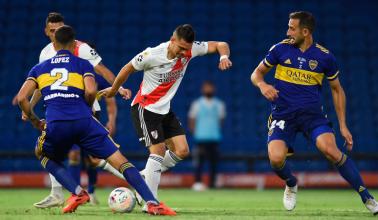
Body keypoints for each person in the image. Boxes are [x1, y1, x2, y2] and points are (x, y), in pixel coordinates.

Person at [16, 25, 176, 215]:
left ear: (54, 44)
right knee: (121, 161)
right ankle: (152, 202)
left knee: (42, 153)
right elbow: (91, 90)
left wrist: (35, 120)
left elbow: (21, 98)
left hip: (56, 123)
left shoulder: (39, 68)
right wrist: (86, 106)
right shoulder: (83, 64)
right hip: (85, 121)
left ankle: (76, 192)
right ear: (75, 43)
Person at [250, 11, 378, 215]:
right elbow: (256, 74)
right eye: (288, 27)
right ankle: (291, 183)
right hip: (282, 115)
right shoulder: (280, 49)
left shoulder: (325, 57)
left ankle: (368, 198)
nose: (288, 32)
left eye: (292, 28)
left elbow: (337, 90)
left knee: (331, 151)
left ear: (305, 31)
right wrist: (262, 85)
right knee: (276, 159)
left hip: (312, 117)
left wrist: (343, 125)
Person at [100, 24, 232, 211]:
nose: (184, 53)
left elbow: (221, 44)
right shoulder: (152, 54)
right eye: (180, 48)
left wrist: (224, 56)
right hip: (145, 108)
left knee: (182, 150)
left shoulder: (190, 49)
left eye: (187, 49)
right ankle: (151, 202)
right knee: (158, 151)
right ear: (172, 40)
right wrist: (114, 90)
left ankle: (143, 178)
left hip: (164, 110)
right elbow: (127, 69)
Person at [31, 12, 130, 208]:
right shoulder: (44, 53)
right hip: (58, 109)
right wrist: (30, 106)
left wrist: (119, 88)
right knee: (65, 154)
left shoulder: (80, 48)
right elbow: (40, 84)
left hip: (86, 111)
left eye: (59, 29)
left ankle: (135, 180)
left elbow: (101, 69)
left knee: (94, 159)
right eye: (52, 30)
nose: (55, 33)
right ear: (46, 31)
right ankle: (59, 193)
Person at [188, 80, 226, 190]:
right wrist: (195, 132)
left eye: (210, 88)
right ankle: (198, 183)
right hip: (200, 138)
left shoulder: (219, 104)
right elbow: (192, 120)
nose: (208, 90)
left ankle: (212, 183)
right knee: (199, 162)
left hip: (214, 138)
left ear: (214, 89)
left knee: (213, 162)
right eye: (206, 88)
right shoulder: (197, 104)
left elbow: (221, 120)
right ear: (202, 90)